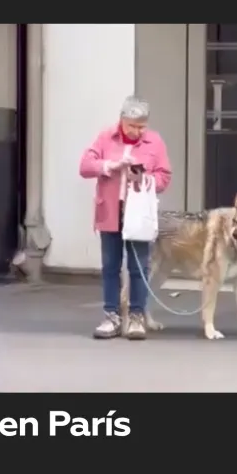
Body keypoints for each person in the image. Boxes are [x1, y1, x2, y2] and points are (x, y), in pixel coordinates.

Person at [79, 96, 172, 340]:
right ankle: (111, 315)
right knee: (110, 266)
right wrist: (112, 165)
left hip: (138, 214)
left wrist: (143, 178)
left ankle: (136, 316)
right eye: (132, 125)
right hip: (110, 212)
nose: (137, 131)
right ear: (122, 121)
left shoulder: (155, 142)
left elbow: (164, 177)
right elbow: (85, 166)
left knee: (139, 267)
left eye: (142, 126)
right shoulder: (105, 137)